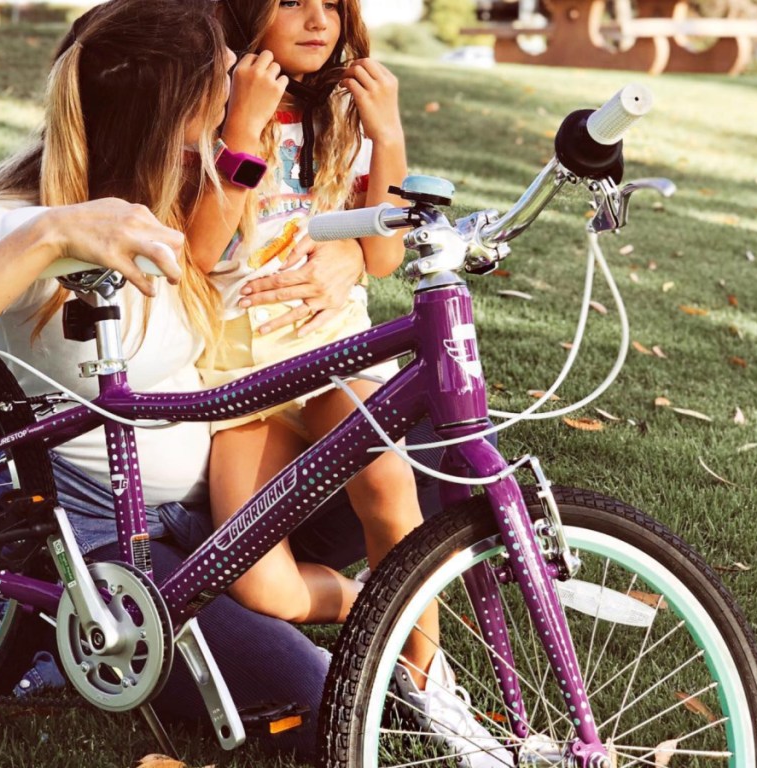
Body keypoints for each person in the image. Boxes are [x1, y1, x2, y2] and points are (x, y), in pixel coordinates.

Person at [0, 0, 384, 759]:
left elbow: (297, 230)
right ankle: (48, 624)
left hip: (219, 493)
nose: (239, 72)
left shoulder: (188, 178)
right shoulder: (9, 217)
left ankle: (281, 595)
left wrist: (350, 257)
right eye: (219, 72)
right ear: (173, 110)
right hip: (108, 529)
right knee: (319, 695)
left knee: (412, 471)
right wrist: (52, 233)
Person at [185, 2, 513, 765]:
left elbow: (385, 255)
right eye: (291, 3)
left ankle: (429, 686)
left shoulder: (343, 107)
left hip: (333, 351)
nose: (316, 18)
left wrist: (388, 130)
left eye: (329, 3)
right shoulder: (213, 100)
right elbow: (198, 252)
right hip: (245, 374)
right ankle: (387, 614)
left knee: (389, 487)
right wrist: (240, 131)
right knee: (260, 587)